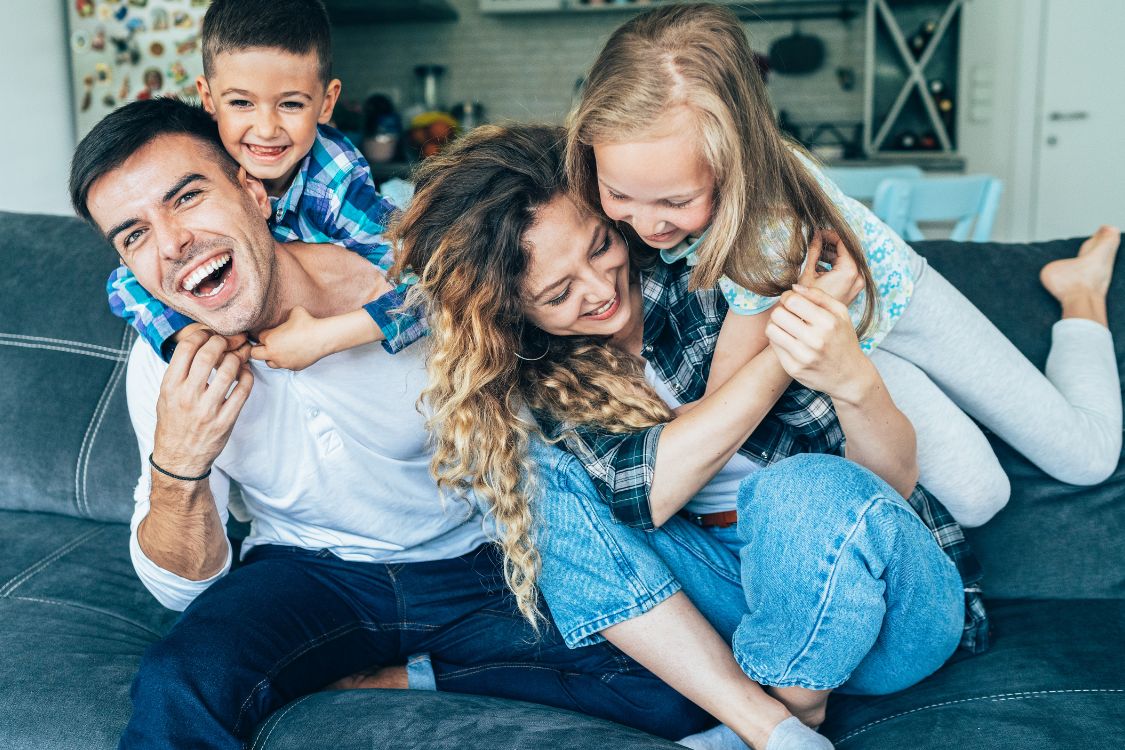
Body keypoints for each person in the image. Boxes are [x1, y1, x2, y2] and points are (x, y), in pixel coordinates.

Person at [70, 99, 727, 750]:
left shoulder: (408, 288)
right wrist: (179, 464)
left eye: (186, 197)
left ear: (253, 191)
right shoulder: (167, 361)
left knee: (674, 688)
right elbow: (185, 588)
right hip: (310, 574)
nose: (171, 242)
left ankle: (405, 677)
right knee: (176, 681)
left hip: (475, 563)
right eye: (134, 234)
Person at [389, 123, 980, 750]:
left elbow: (884, 489)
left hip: (892, 617)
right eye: (558, 293)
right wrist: (781, 354)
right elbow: (649, 495)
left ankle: (790, 716)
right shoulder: (548, 377)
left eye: (598, 247)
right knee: (528, 473)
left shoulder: (715, 278)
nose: (599, 290)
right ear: (512, 314)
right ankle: (772, 728)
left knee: (798, 489)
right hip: (738, 606)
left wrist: (823, 356)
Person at [565, 3, 1121, 528]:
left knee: (1087, 457)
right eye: (620, 195)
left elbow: (720, 407)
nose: (646, 226)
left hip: (900, 305)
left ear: (737, 163)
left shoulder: (766, 234)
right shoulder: (622, 192)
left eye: (676, 203)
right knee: (979, 497)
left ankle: (1080, 295)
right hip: (853, 341)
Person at [104, 0, 424, 366]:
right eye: (241, 103)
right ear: (209, 98)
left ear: (326, 102)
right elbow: (124, 284)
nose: (267, 130)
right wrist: (189, 333)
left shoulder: (335, 187)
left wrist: (323, 338)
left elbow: (434, 292)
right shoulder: (201, 160)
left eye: (290, 105)